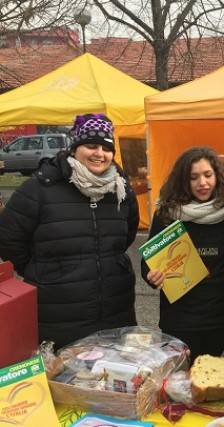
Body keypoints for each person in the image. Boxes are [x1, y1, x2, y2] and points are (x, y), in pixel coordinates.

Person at [0, 113, 139, 349]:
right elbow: (9, 239)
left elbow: (126, 236)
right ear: (74, 148)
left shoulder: (121, 190)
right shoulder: (40, 188)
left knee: (111, 379)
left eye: (106, 148)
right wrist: (44, 272)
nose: (99, 154)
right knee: (63, 382)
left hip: (115, 313)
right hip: (58, 318)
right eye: (91, 146)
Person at [141, 147, 224, 361]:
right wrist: (152, 276)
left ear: (217, 175)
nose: (202, 183)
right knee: (179, 386)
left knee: (216, 384)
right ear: (183, 181)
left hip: (221, 319)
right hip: (179, 320)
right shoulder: (167, 214)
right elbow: (147, 262)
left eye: (207, 175)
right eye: (193, 177)